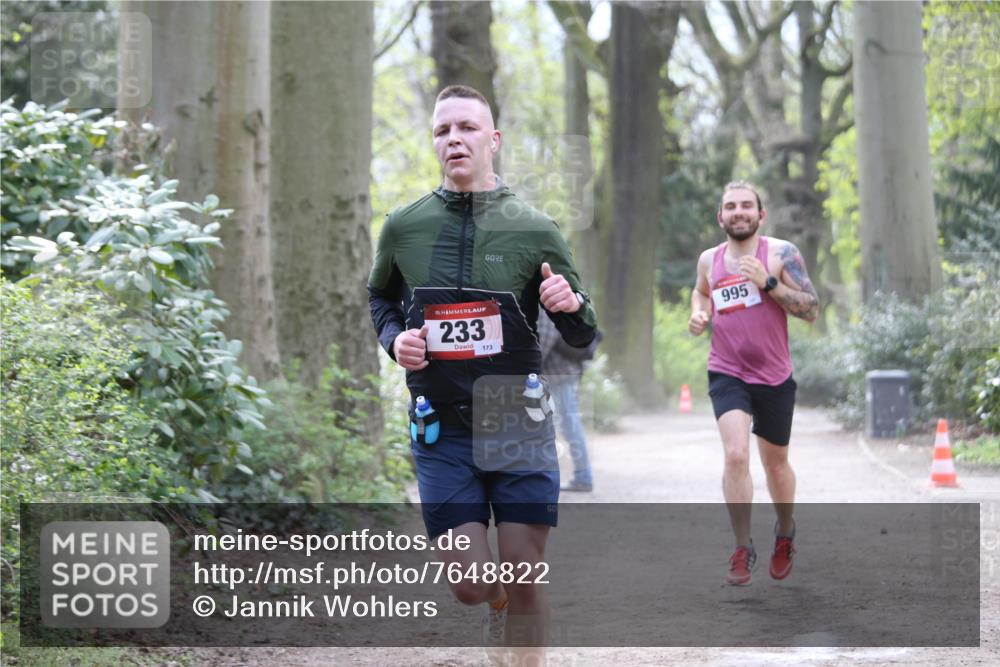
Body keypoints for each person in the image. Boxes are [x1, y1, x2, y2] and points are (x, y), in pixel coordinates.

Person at [368, 84, 598, 655]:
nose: (455, 139)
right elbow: (380, 301)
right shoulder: (403, 227)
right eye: (443, 130)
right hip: (440, 426)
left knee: (525, 575)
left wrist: (571, 306)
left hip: (515, 419)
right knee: (472, 584)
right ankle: (494, 609)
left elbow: (582, 330)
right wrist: (397, 342)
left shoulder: (535, 228)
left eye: (467, 128)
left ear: (492, 139)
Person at [688, 181, 819, 586]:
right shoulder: (710, 260)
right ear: (721, 217)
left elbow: (811, 309)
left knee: (775, 464)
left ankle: (784, 531)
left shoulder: (781, 254)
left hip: (775, 375)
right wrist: (698, 313)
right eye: (731, 206)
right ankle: (742, 546)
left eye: (747, 206)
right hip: (727, 370)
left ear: (761, 215)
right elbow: (700, 292)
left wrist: (769, 283)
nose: (739, 212)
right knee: (735, 455)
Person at [538, 311, 601, 492]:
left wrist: (529, 368)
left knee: (569, 425)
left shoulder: (543, 299)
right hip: (563, 372)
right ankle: (583, 476)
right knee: (567, 424)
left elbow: (544, 338)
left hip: (560, 374)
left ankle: (583, 477)